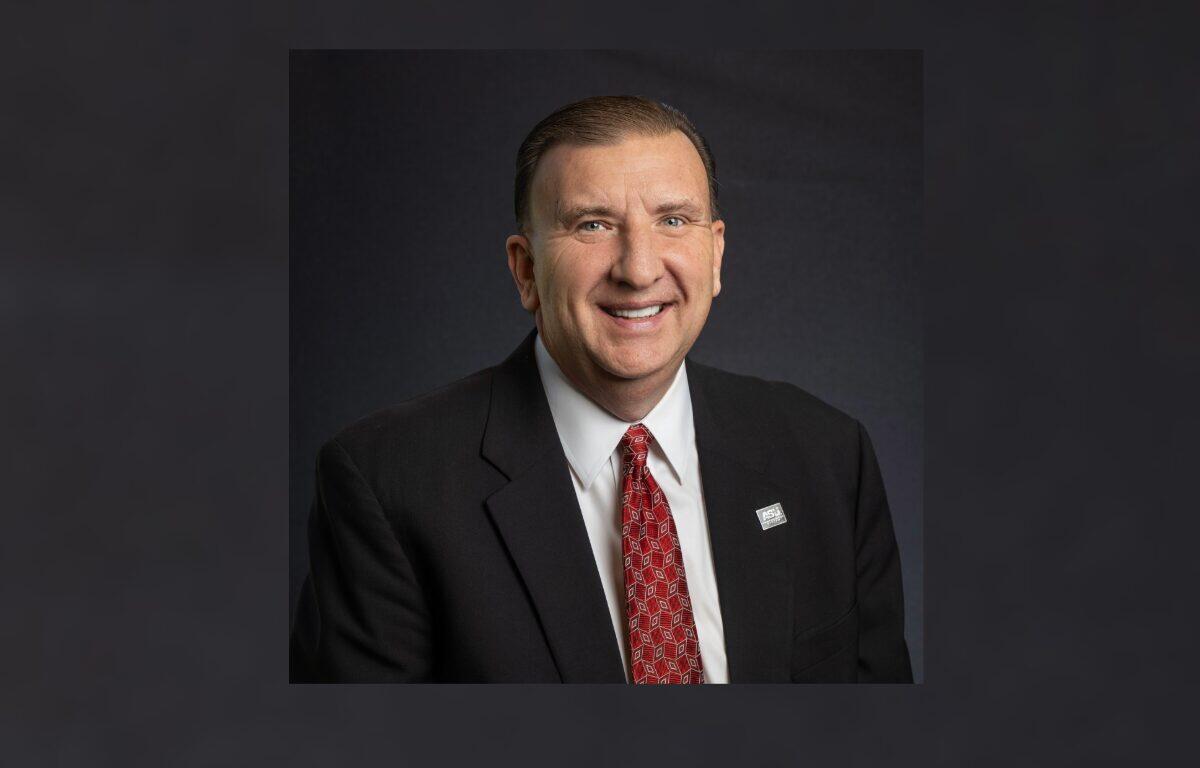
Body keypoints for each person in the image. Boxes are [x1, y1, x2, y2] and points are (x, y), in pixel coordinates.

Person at [290, 95, 913, 683]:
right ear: (526, 269)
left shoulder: (827, 455)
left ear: (715, 254)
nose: (638, 269)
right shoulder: (389, 482)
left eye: (673, 220)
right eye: (593, 225)